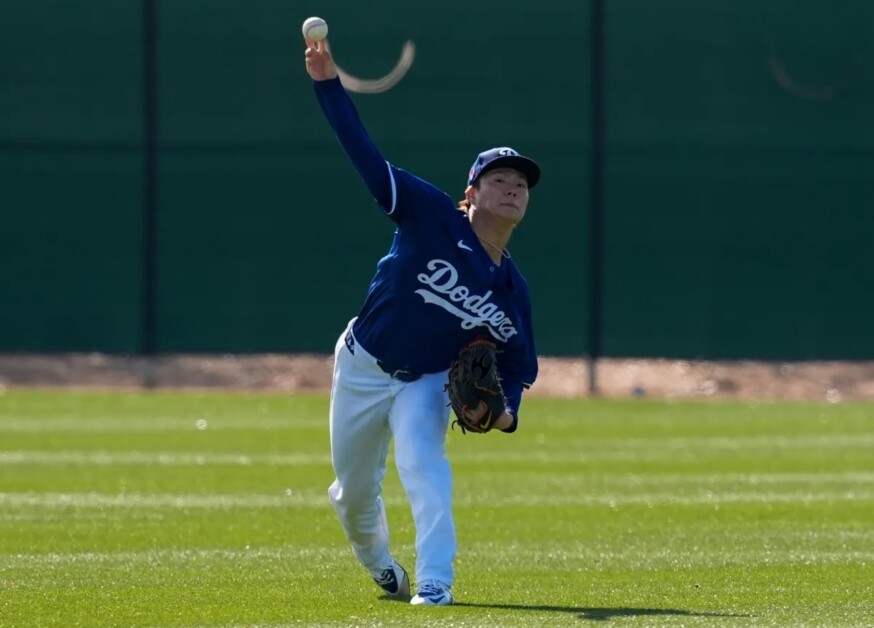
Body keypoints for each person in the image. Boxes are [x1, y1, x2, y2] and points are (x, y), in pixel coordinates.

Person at [304, 34, 540, 606]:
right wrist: (327, 84)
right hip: (362, 362)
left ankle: (435, 582)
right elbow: (364, 152)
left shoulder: (511, 291)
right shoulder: (429, 213)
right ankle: (380, 562)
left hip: (428, 381)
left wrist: (503, 415)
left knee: (422, 464)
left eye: (520, 186)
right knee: (353, 494)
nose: (512, 189)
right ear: (471, 194)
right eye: (499, 181)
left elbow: (517, 365)